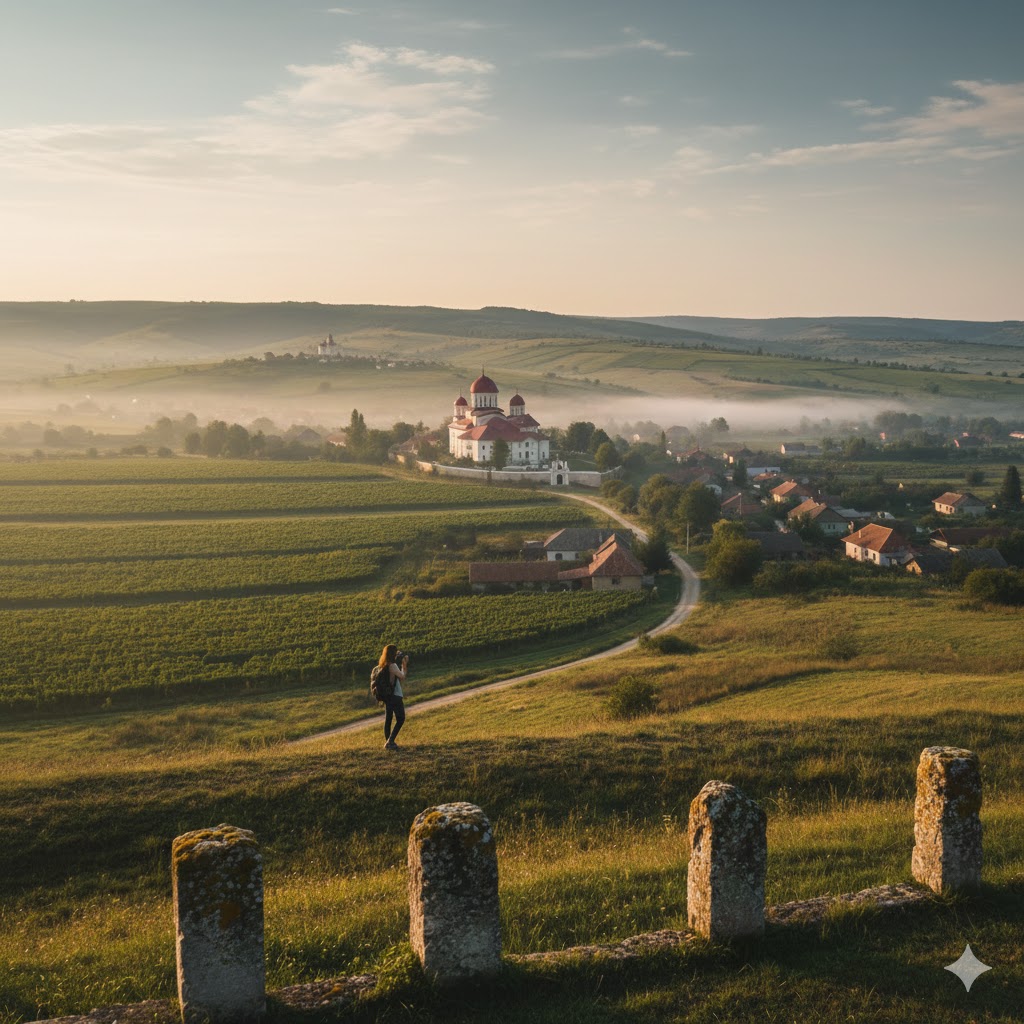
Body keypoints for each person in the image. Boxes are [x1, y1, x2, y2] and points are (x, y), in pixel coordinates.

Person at [378, 643, 408, 751]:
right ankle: (390, 742)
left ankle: (388, 742)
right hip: (395, 695)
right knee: (401, 718)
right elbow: (402, 676)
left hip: (387, 696)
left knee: (388, 719)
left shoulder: (383, 665)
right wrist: (404, 664)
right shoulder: (393, 665)